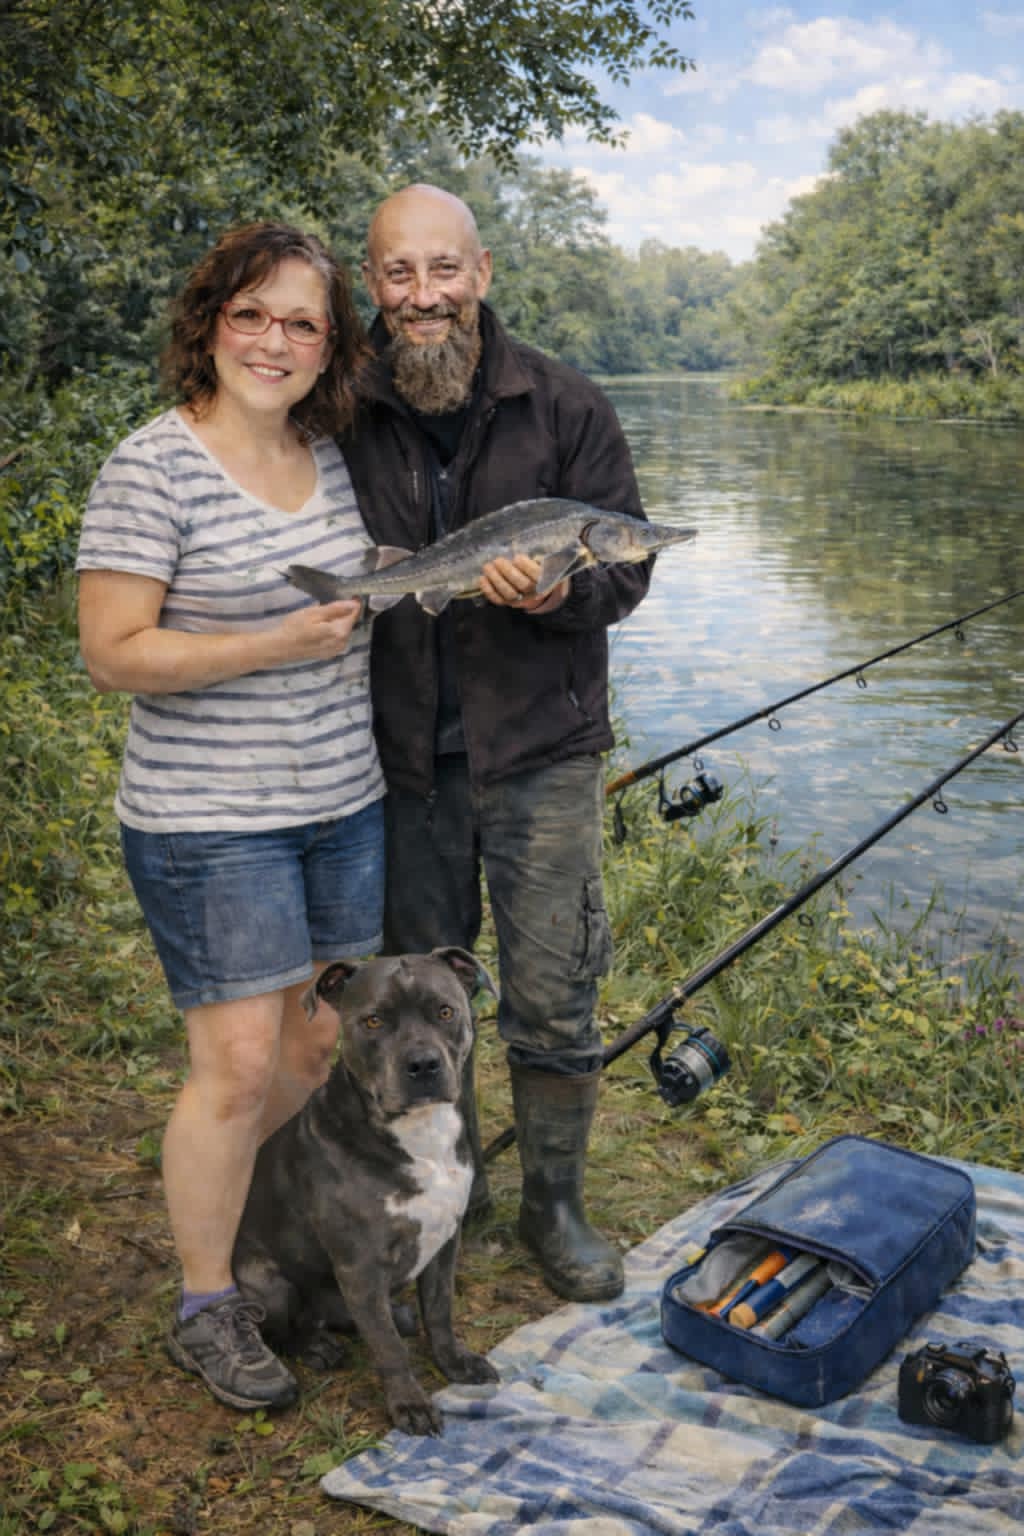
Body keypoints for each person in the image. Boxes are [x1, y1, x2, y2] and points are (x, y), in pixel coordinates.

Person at [76, 222, 385, 1410]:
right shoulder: (151, 466)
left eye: (302, 323)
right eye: (251, 314)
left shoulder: (333, 456)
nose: (273, 341)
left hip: (342, 804)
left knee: (310, 1048)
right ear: (209, 324)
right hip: (208, 819)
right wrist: (270, 643)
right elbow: (113, 652)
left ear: (329, 349)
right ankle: (207, 1305)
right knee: (239, 1063)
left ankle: (257, 1247)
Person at [339, 184, 652, 1303]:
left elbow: (629, 573)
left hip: (541, 755)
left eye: (443, 269)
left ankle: (553, 1208)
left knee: (555, 992)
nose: (423, 295)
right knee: (422, 995)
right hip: (402, 761)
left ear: (481, 273)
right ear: (372, 283)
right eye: (399, 272)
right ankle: (448, 1190)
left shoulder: (566, 406)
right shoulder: (338, 408)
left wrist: (557, 596)